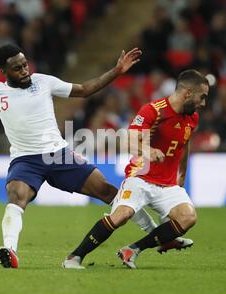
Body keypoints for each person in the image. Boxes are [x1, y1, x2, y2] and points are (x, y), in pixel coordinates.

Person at [0, 44, 190, 269]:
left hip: (59, 155)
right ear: (4, 72)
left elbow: (83, 90)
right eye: (16, 68)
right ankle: (9, 249)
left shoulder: (43, 82)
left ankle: (160, 238)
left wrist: (116, 71)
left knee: (109, 193)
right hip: (25, 160)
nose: (24, 70)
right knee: (16, 196)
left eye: (24, 64)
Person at [63, 70, 209, 269]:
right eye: (202, 97)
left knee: (188, 217)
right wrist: (149, 150)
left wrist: (181, 173)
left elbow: (185, 143)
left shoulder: (192, 118)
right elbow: (128, 142)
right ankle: (74, 257)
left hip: (167, 185)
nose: (203, 103)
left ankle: (132, 250)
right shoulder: (153, 111)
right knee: (122, 215)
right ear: (188, 93)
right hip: (140, 178)